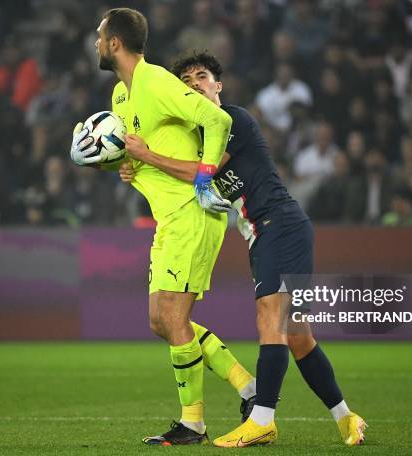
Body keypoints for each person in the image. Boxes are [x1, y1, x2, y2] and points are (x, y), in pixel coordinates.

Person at [119, 51, 366, 448]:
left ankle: (262, 417)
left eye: (202, 76)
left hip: (279, 225)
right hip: (265, 233)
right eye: (186, 80)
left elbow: (203, 173)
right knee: (297, 334)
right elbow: (186, 183)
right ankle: (346, 416)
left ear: (218, 86)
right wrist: (137, 170)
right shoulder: (197, 138)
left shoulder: (230, 120)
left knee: (270, 318)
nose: (194, 83)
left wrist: (146, 155)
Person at [68, 8, 257, 446]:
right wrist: (120, 163)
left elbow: (219, 120)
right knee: (163, 320)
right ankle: (249, 389)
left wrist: (206, 175)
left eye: (100, 36)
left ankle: (193, 423)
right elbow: (140, 149)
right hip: (168, 218)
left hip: (191, 211)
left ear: (115, 43)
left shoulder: (156, 83)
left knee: (171, 317)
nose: (96, 43)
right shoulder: (120, 97)